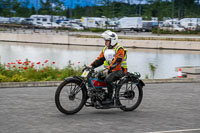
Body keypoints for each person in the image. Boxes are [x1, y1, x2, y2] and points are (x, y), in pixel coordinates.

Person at [90, 30, 127, 105]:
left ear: (113, 40)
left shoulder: (119, 49)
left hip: (120, 70)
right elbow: (100, 59)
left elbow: (117, 61)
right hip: (110, 70)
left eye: (107, 41)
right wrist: (91, 66)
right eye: (105, 41)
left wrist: (108, 69)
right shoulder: (105, 49)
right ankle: (99, 96)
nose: (106, 42)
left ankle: (110, 99)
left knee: (108, 79)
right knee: (95, 76)